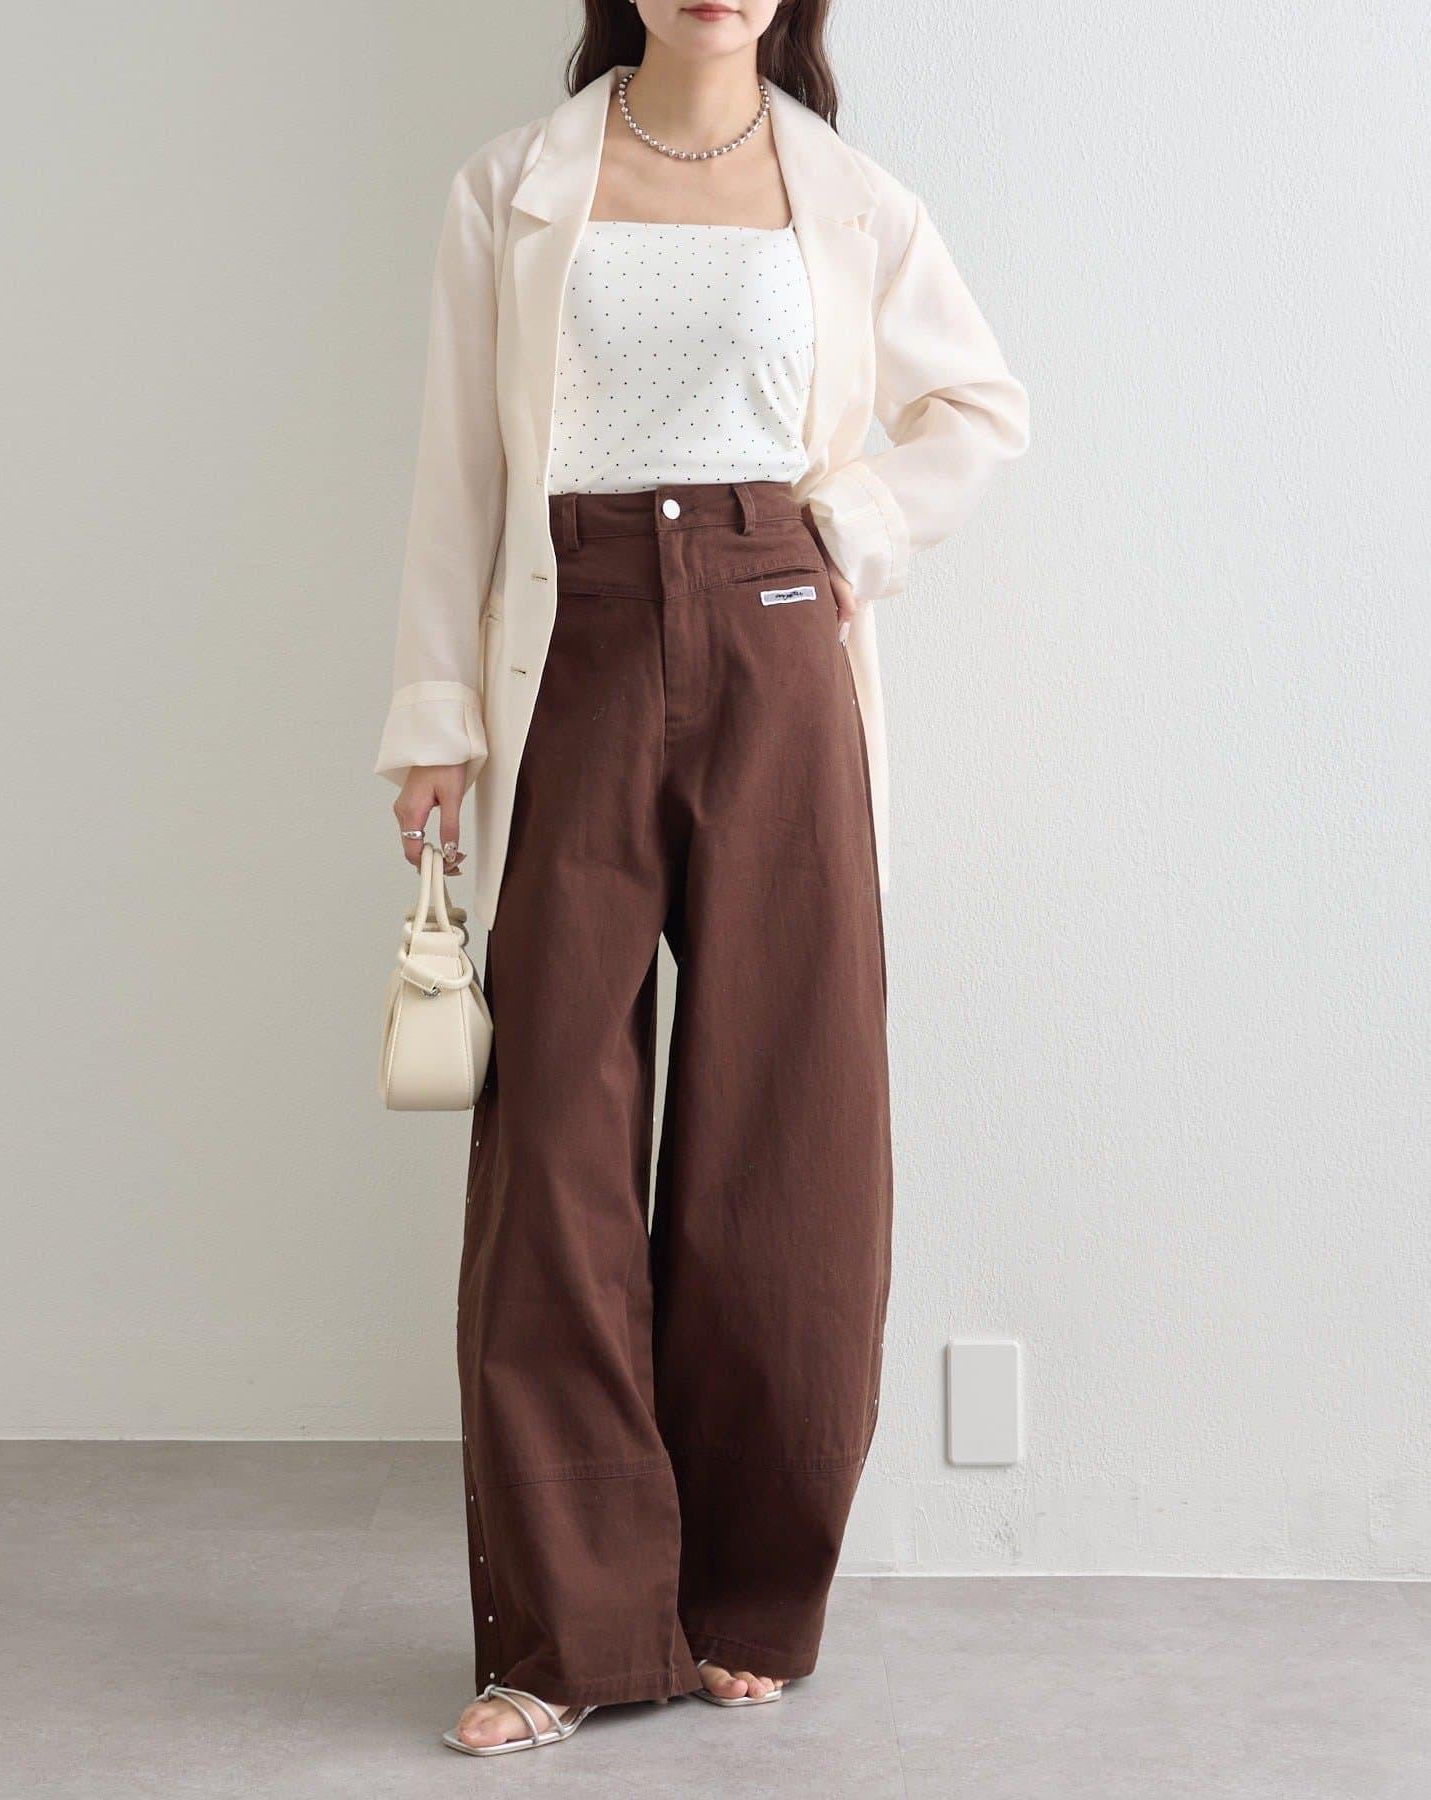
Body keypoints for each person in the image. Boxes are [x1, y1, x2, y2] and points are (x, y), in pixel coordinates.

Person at [374, 0, 1028, 1758]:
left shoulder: (850, 196)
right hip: (575, 642)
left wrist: (843, 530)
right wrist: (434, 716)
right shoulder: (514, 186)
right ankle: (570, 1635)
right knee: (554, 1139)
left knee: (785, 1136)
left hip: (779, 635)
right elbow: (459, 471)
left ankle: (743, 1598)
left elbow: (980, 406)